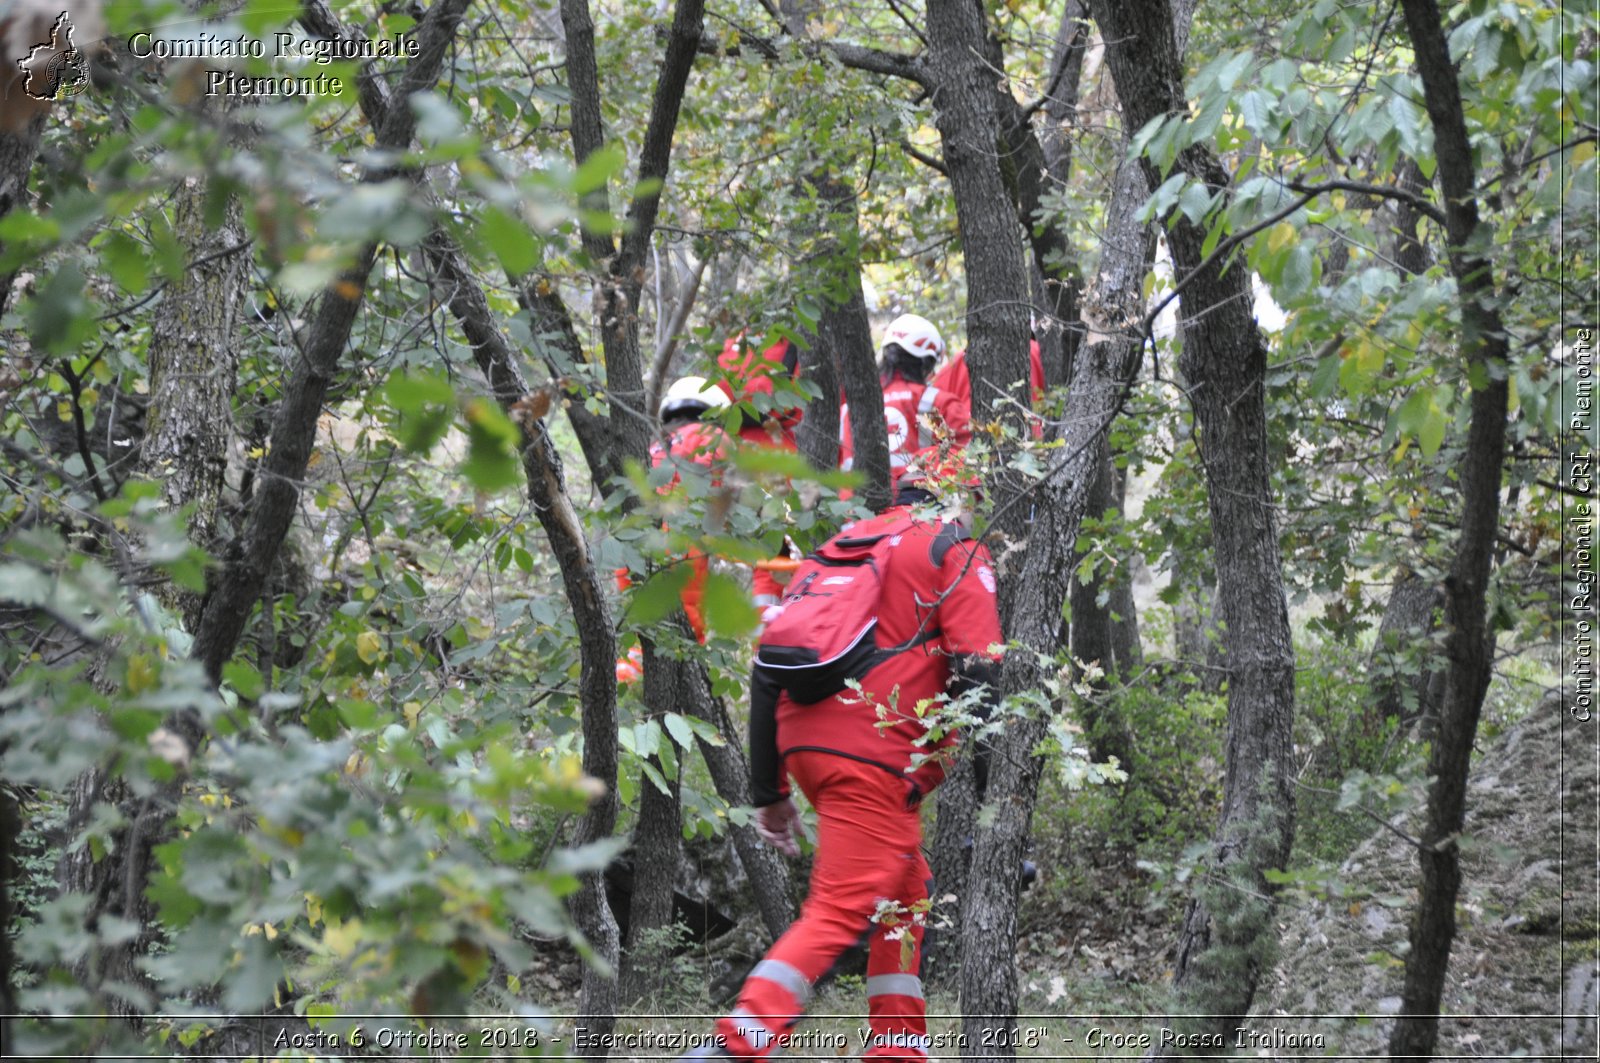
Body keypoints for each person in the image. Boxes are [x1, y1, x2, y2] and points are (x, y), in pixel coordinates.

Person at [680, 468, 1003, 1063]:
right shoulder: (951, 545)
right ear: (965, 497)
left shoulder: (842, 547)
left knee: (905, 893)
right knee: (838, 909)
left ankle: (897, 1047)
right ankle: (734, 1046)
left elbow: (767, 667)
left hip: (806, 742)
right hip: (872, 753)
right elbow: (979, 674)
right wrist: (993, 806)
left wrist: (769, 791)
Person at [616, 376, 731, 681]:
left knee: (641, 630)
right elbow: (723, 504)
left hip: (632, 548)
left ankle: (630, 690)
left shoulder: (657, 446)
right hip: (680, 546)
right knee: (684, 640)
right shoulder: (713, 439)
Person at [840, 313, 971, 480]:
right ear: (927, 362)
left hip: (854, 504)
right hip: (916, 504)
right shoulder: (939, 403)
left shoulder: (848, 409)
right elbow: (971, 460)